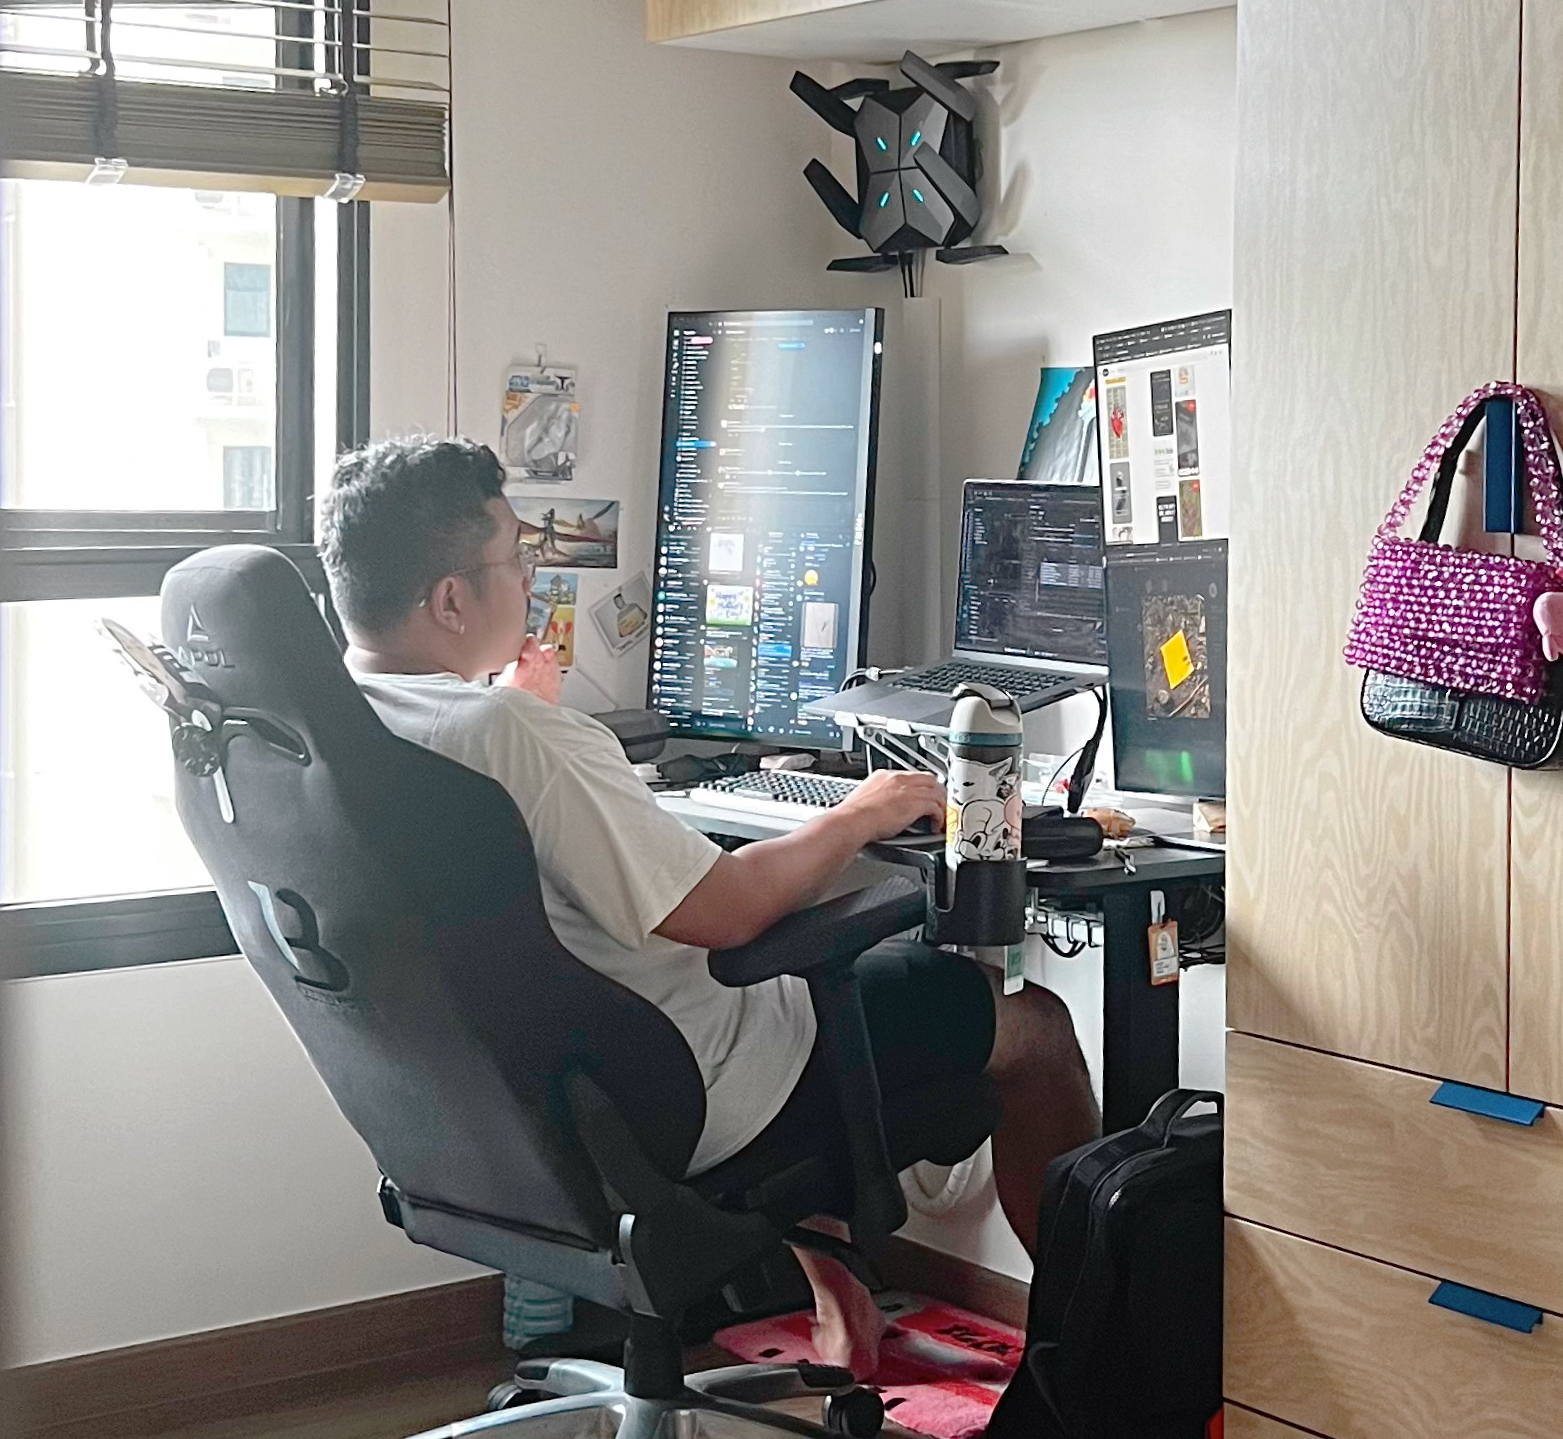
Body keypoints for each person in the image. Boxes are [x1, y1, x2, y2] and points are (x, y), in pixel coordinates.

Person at [318, 433, 1099, 1375]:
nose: (529, 580)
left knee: (813, 986)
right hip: (696, 1088)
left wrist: (531, 718)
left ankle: (843, 1309)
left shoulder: (344, 734)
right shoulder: (513, 735)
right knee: (1035, 1029)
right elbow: (726, 910)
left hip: (506, 1119)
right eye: (514, 557)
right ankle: (1081, 1363)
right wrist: (862, 810)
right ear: (450, 601)